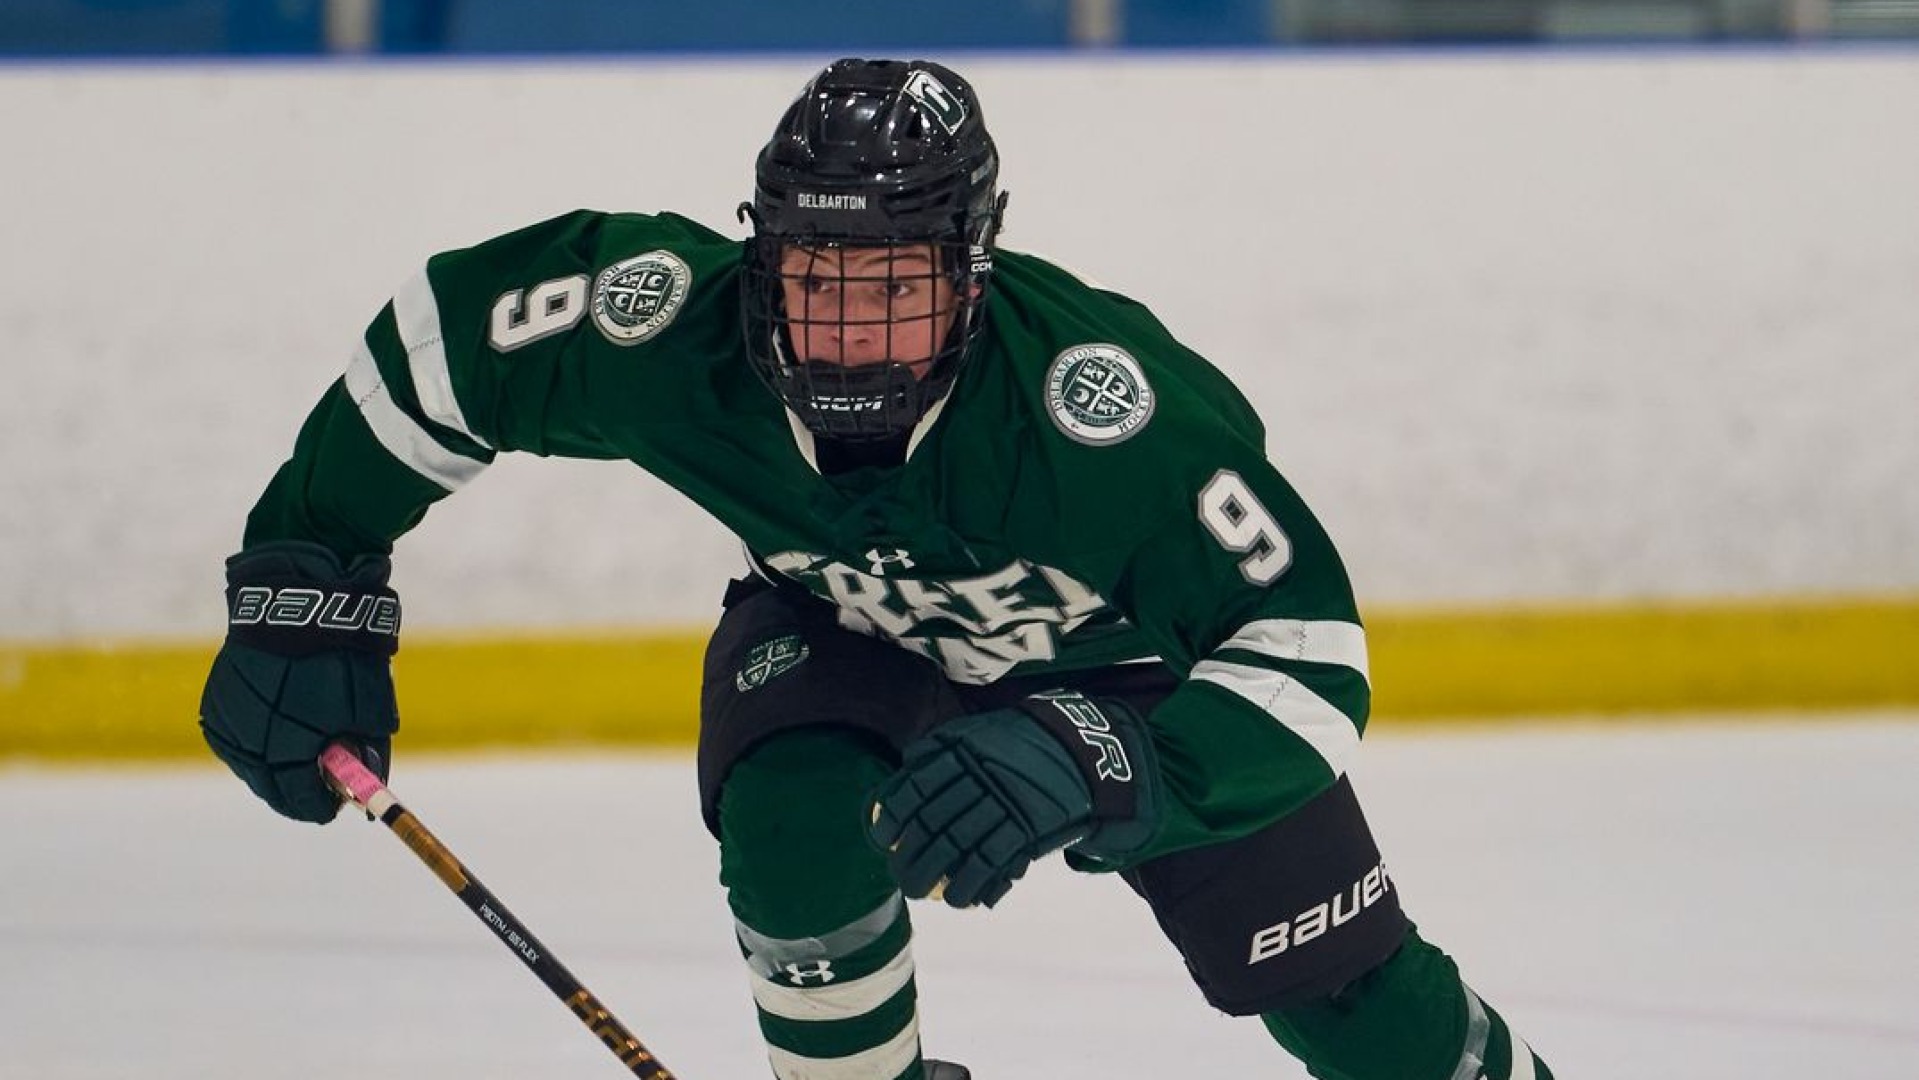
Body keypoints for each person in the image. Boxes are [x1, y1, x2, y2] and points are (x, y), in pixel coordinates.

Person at [199, 58, 1555, 1080]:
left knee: (1349, 999)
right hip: (845, 621)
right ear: (760, 258)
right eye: (813, 277)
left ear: (971, 271)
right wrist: (306, 581)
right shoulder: (670, 326)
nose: (848, 326)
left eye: (894, 283)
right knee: (795, 833)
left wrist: (1094, 750)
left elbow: (1310, 651)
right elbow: (446, 346)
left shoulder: (1105, 413)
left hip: (1124, 676)